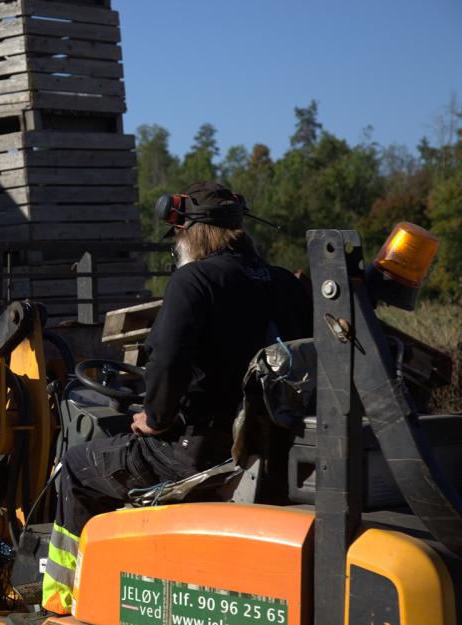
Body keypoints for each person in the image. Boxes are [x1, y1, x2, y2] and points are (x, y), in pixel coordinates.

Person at [41, 182, 313, 614]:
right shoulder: (286, 284)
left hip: (194, 453)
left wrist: (154, 417)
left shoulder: (195, 280)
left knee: (76, 467)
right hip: (268, 448)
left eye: (178, 234)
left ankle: (64, 602)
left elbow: (167, 360)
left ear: (191, 233)